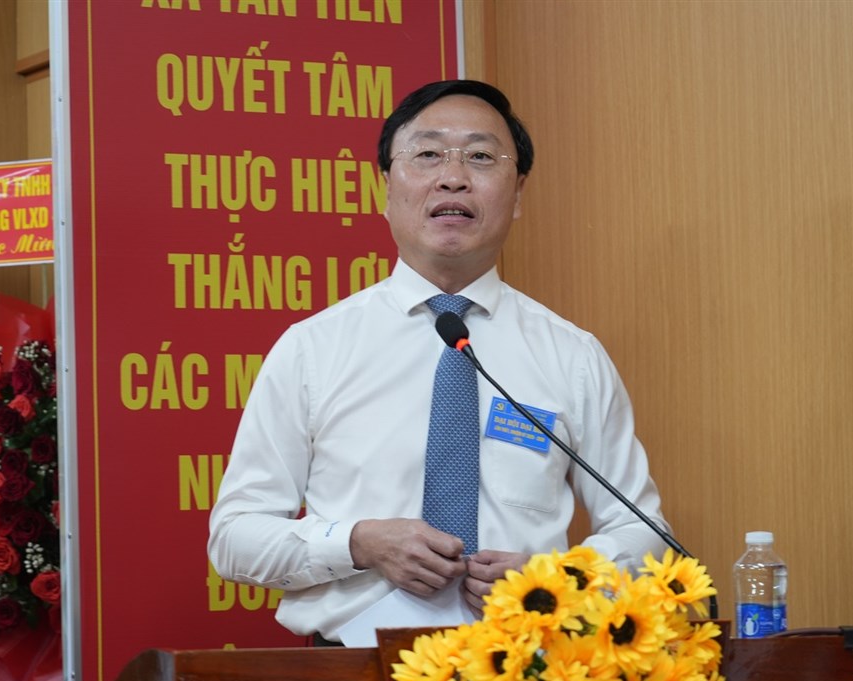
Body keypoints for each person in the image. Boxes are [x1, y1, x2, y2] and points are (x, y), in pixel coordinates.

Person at [207, 80, 671, 646]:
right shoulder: (313, 348)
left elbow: (644, 532)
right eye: (427, 154)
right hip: (355, 667)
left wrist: (555, 579)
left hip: (528, 663)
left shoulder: (572, 356)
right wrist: (357, 543)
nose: (453, 177)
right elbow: (235, 538)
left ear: (518, 195)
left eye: (481, 157)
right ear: (386, 188)